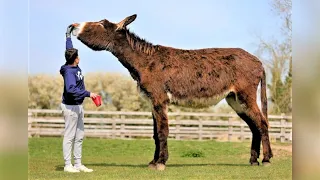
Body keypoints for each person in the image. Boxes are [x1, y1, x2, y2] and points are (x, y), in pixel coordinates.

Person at [59, 25, 98, 173]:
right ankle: (68, 165)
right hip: (70, 107)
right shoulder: (69, 72)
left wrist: (68, 35)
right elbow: (70, 89)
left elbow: (69, 49)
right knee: (70, 136)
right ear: (75, 60)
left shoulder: (71, 63)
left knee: (79, 135)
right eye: (78, 56)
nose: (79, 57)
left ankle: (78, 164)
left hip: (77, 106)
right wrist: (89, 94)